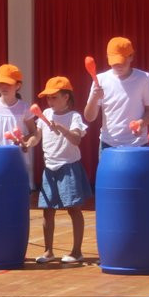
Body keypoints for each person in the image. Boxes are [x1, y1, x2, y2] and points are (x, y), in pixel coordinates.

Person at [34, 76, 91, 265]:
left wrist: (62, 129)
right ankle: (48, 251)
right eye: (48, 97)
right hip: (49, 167)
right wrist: (26, 143)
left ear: (66, 97)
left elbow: (76, 139)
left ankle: (77, 251)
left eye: (54, 97)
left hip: (68, 166)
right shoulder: (45, 114)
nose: (50, 101)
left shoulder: (74, 116)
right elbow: (37, 136)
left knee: (73, 209)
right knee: (47, 210)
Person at [83, 37, 149, 149]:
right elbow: (89, 117)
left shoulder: (143, 78)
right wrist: (94, 99)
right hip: (108, 144)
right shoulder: (100, 80)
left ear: (131, 56)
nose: (118, 65)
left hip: (137, 144)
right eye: (114, 62)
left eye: (122, 61)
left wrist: (141, 123)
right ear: (108, 58)